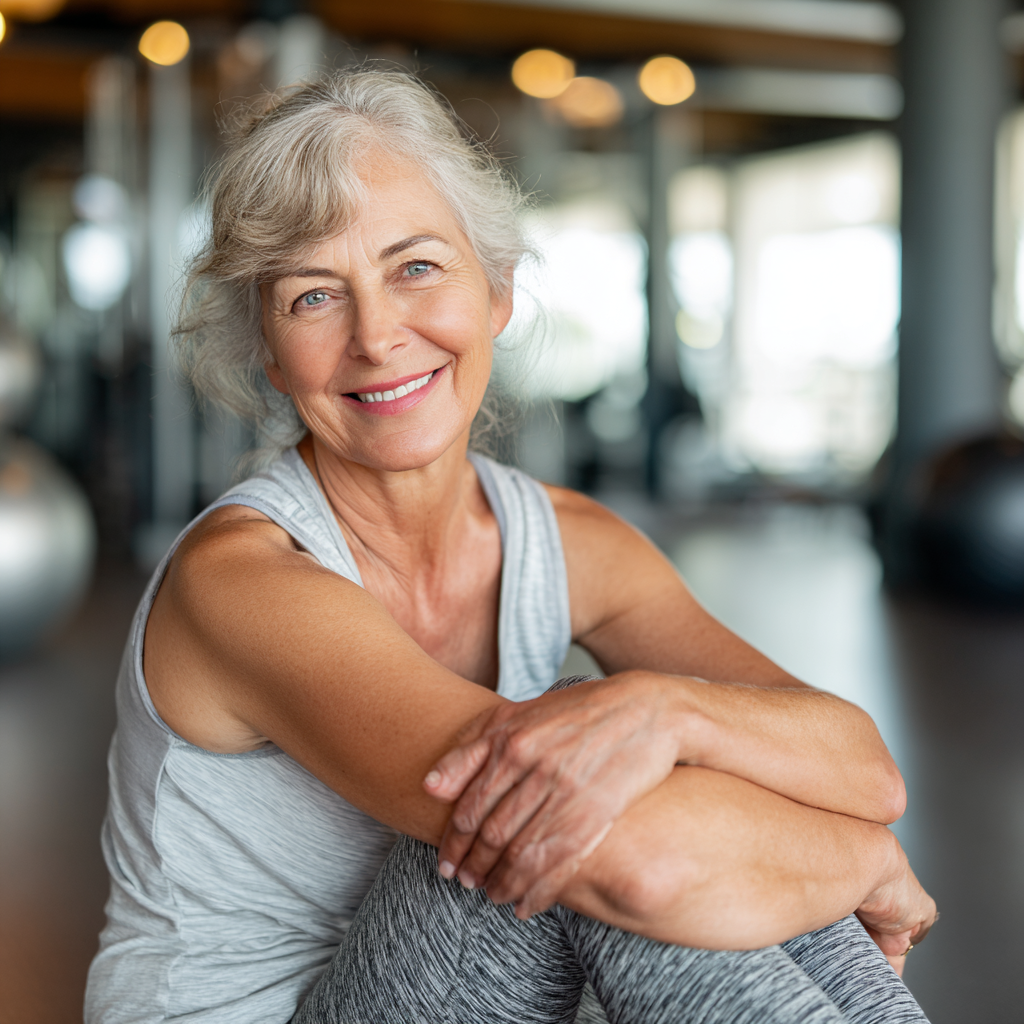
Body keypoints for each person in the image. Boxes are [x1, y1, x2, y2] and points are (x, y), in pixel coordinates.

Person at [84, 69, 936, 1024]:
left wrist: (674, 714)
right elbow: (642, 862)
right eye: (314, 297)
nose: (377, 336)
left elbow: (864, 770)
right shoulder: (241, 582)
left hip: (453, 988)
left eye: (415, 268)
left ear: (496, 292)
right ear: (273, 356)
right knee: (568, 769)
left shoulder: (565, 540)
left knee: (608, 746)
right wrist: (864, 860)